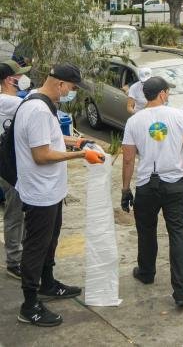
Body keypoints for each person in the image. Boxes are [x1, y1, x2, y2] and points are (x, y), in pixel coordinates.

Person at [15, 63, 105, 327]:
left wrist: (77, 142)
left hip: (50, 190)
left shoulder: (39, 102)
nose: (73, 93)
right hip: (40, 193)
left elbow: (50, 139)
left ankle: (48, 283)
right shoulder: (39, 110)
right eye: (73, 88)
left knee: (50, 240)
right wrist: (81, 155)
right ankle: (29, 305)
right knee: (36, 246)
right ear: (61, 84)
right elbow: (41, 155)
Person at [120, 76, 183, 308]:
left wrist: (125, 189)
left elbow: (128, 159)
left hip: (147, 185)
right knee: (177, 234)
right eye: (167, 92)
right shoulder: (178, 116)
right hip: (175, 185)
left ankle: (146, 272)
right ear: (161, 94)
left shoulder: (134, 121)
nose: (168, 95)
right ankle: (181, 291)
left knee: (146, 230)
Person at [0, 60, 32, 280]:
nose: (23, 79)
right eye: (20, 75)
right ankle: (14, 261)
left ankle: (19, 254)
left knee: (18, 210)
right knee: (15, 212)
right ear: (10, 80)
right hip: (9, 166)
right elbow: (34, 105)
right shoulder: (7, 101)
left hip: (11, 164)